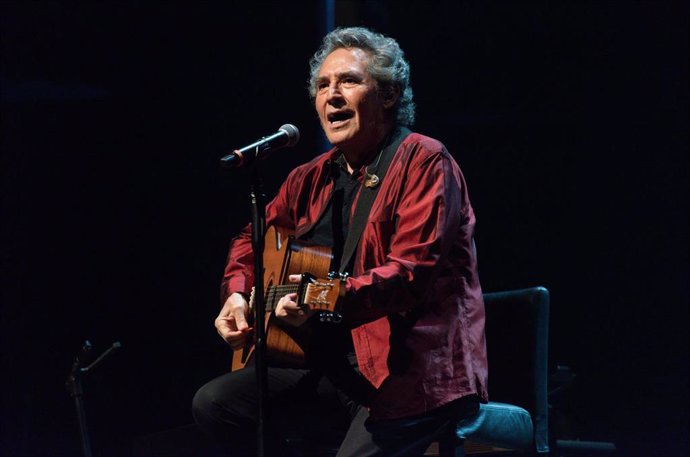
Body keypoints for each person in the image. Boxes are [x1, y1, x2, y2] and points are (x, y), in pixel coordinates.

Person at [193, 26, 488, 457]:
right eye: (322, 85)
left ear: (387, 95)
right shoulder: (309, 177)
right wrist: (237, 295)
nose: (331, 95)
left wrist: (319, 297)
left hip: (410, 375)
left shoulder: (424, 161)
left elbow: (410, 274)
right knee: (216, 404)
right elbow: (250, 238)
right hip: (329, 369)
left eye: (348, 81)